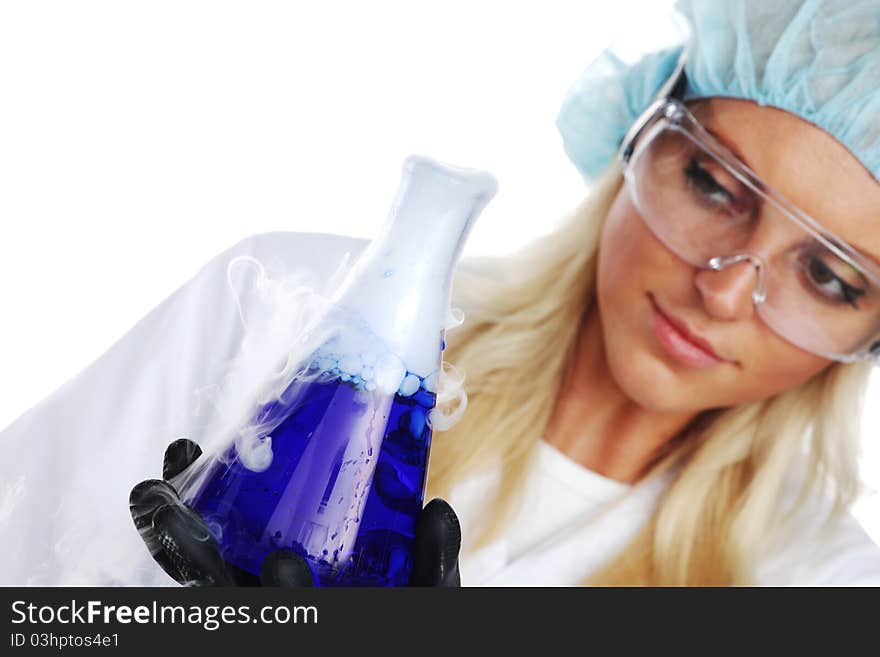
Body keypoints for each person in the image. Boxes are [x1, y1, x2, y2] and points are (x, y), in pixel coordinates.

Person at [2, 0, 880, 586]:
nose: (723, 294)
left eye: (829, 276)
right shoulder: (285, 308)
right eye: (716, 185)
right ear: (639, 135)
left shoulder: (820, 580)